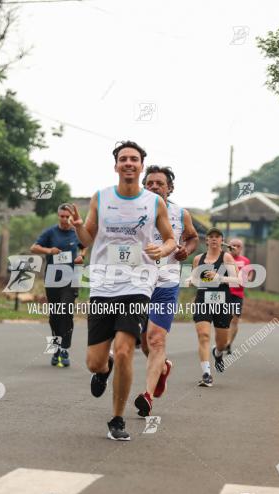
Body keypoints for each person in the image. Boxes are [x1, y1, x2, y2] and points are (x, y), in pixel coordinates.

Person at [67, 140, 176, 441]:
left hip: (137, 283)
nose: (129, 163)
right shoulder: (100, 198)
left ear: (141, 166)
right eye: (123, 159)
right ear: (116, 165)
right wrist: (78, 226)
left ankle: (116, 418)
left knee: (126, 349)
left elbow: (170, 240)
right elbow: (88, 238)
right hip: (103, 284)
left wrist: (161, 248)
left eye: (134, 159)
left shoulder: (154, 202)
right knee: (94, 361)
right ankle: (104, 370)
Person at [133, 165, 199, 418]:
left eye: (159, 183)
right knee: (144, 343)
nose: (153, 187)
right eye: (149, 183)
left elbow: (192, 238)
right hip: (137, 283)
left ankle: (147, 396)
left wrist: (186, 250)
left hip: (166, 283)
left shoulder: (181, 214)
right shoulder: (133, 212)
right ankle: (162, 368)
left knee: (156, 339)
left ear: (169, 188)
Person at [30, 205, 86, 368]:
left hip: (71, 278)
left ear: (71, 217)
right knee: (55, 315)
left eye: (66, 216)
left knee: (66, 310)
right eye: (61, 216)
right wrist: (49, 250)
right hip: (53, 278)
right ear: (58, 216)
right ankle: (56, 348)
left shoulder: (76, 232)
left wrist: (81, 256)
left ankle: (64, 349)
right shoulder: (50, 232)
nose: (63, 219)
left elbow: (84, 246)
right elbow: (33, 248)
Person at [188, 228, 240, 387]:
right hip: (203, 299)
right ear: (207, 240)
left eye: (217, 237)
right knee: (203, 335)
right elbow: (194, 277)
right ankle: (206, 374)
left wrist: (219, 277)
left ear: (221, 240)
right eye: (211, 237)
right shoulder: (198, 259)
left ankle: (217, 353)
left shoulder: (227, 257)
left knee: (222, 342)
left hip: (222, 300)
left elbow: (236, 280)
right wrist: (190, 279)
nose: (214, 239)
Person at [224, 238, 251, 354]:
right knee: (223, 320)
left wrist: (244, 279)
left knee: (234, 320)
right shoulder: (223, 259)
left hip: (237, 294)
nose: (235, 247)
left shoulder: (246, 261)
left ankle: (228, 343)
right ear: (228, 247)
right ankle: (222, 341)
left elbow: (249, 277)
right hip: (223, 293)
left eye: (238, 246)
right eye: (233, 245)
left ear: (241, 248)